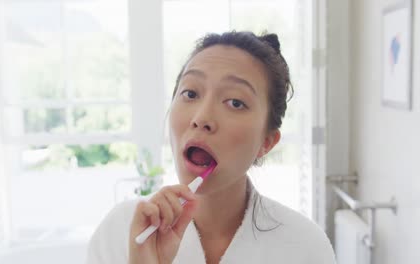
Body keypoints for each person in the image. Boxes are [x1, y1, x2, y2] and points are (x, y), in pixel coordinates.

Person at [86, 31, 336, 264]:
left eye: (235, 102)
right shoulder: (121, 231)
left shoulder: (305, 247)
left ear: (266, 142)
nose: (202, 117)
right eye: (191, 94)